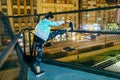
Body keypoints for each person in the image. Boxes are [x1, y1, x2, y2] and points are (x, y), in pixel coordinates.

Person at [33, 12, 73, 77]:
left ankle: (38, 71)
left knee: (39, 54)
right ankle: (69, 28)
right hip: (42, 38)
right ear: (49, 18)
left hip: (36, 39)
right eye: (52, 19)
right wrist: (66, 21)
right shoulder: (47, 22)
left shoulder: (41, 21)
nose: (52, 20)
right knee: (56, 32)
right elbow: (56, 23)